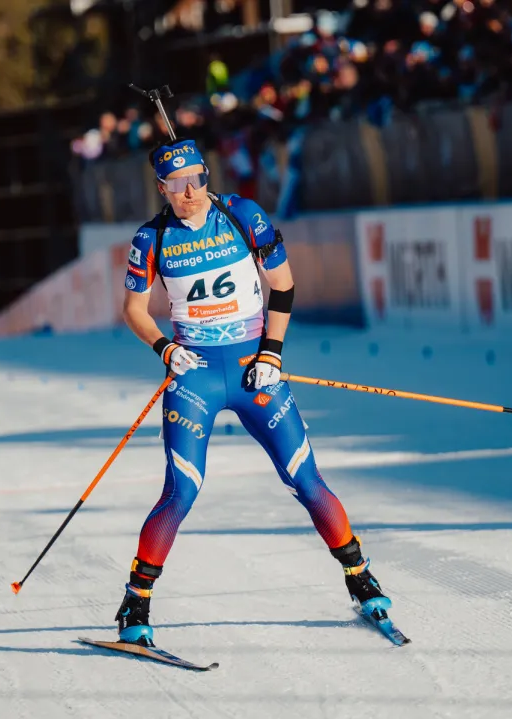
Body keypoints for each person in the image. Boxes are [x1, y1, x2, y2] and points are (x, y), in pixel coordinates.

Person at [114, 138, 390, 646]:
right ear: (162, 189)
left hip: (252, 368)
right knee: (182, 491)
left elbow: (282, 286)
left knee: (305, 479)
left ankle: (360, 576)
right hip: (194, 374)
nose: (189, 191)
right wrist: (163, 349)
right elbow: (133, 309)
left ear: (206, 176)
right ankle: (136, 602)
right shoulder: (149, 238)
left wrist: (272, 353)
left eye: (196, 178)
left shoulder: (243, 215)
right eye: (177, 184)